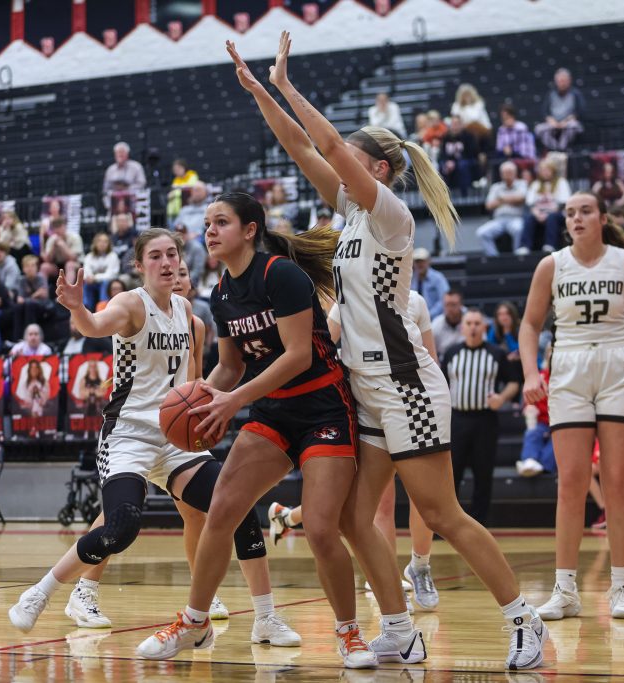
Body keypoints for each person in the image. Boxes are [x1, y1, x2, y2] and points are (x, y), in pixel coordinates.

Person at [223, 33, 547, 670]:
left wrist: (288, 85)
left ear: (376, 170)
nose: (339, 163)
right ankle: (398, 629)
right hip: (363, 384)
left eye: (351, 157)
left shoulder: (392, 214)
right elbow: (302, 148)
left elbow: (326, 145)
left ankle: (523, 617)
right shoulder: (350, 215)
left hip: (406, 383)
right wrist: (261, 92)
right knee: (351, 517)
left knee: (441, 512)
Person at [10, 228, 300, 651]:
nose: (166, 263)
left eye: (172, 255)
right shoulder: (130, 304)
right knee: (121, 526)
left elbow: (193, 382)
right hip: (128, 434)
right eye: (155, 256)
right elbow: (94, 326)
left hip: (173, 438)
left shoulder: (188, 314)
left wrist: (200, 419)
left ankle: (266, 618)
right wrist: (77, 309)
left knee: (235, 504)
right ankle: (41, 592)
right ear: (139, 264)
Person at [135, 191, 372, 667]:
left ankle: (350, 633)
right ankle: (195, 621)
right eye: (207, 223)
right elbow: (230, 366)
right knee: (222, 509)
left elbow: (298, 355)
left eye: (221, 222)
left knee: (321, 528)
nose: (209, 231)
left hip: (324, 409)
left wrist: (235, 399)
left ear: (249, 231)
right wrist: (200, 398)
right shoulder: (222, 293)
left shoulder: (280, 275)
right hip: (273, 412)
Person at [519, 190, 624, 622]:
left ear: (602, 218)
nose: (577, 218)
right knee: (571, 483)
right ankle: (565, 590)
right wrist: (530, 373)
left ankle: (621, 587)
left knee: (617, 483)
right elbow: (529, 325)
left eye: (585, 211)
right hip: (569, 367)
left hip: (618, 366)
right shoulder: (552, 265)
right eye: (570, 213)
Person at [271, 290, 441, 613]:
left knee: (424, 496)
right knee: (378, 503)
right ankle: (389, 580)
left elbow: (431, 360)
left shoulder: (416, 301)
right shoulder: (347, 300)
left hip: (411, 408)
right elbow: (320, 351)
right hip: (367, 408)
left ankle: (420, 566)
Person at [444, 307, 520, 525]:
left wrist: (501, 398)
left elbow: (514, 382)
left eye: (477, 324)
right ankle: (449, 523)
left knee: (483, 473)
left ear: (484, 327)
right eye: (469, 323)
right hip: (457, 419)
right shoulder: (451, 353)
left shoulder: (496, 354)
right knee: (452, 473)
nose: (473, 328)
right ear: (462, 327)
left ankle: (479, 524)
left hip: (485, 421)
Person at [519, 158, 571, 254]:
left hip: (557, 212)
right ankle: (524, 247)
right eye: (542, 170)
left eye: (547, 170)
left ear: (553, 171)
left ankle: (550, 245)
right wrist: (537, 214)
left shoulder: (561, 182)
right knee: (529, 217)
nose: (545, 172)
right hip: (539, 212)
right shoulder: (535, 184)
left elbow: (563, 203)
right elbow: (530, 204)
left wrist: (547, 214)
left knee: (552, 217)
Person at [517, 349, 555, 477]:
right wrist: (529, 409)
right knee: (532, 434)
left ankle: (544, 466)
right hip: (542, 421)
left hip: (560, 422)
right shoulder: (540, 377)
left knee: (557, 441)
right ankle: (529, 461)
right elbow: (530, 400)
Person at [477, 161, 527, 256]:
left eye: (510, 172)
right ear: (501, 174)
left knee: (519, 229)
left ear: (515, 173)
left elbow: (521, 198)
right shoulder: (496, 187)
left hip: (516, 218)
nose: (508, 175)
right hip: (498, 220)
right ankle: (494, 258)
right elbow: (489, 205)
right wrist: (512, 199)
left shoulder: (522, 184)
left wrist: (501, 199)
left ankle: (518, 258)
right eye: (505, 172)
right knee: (481, 233)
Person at [534, 68, 586, 151]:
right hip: (554, 123)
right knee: (539, 129)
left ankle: (562, 149)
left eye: (564, 81)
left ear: (569, 81)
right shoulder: (551, 94)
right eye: (560, 81)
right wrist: (552, 121)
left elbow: (580, 111)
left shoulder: (575, 94)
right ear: (556, 81)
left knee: (573, 126)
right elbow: (544, 112)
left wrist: (566, 121)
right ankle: (554, 148)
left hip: (569, 123)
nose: (562, 83)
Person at [438, 115, 482, 196]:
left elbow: (472, 154)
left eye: (457, 124)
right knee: (442, 166)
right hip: (450, 162)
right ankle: (444, 194)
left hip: (466, 161)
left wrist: (455, 163)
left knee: (462, 165)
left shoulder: (468, 136)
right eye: (453, 124)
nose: (454, 126)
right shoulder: (446, 137)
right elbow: (442, 154)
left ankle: (465, 194)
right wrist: (447, 162)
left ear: (461, 125)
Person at [13, 255, 53, 341]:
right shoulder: (22, 280)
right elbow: (19, 299)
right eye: (27, 266)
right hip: (28, 305)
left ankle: (29, 337)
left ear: (37, 267)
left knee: (29, 304)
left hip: (44, 307)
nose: (30, 268)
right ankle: (17, 339)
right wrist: (35, 295)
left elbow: (44, 295)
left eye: (32, 266)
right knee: (17, 307)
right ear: (23, 269)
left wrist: (28, 298)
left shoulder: (41, 277)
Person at [82, 233, 121, 311]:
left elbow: (111, 275)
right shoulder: (89, 256)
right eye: (99, 241)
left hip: (108, 282)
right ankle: (86, 308)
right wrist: (89, 278)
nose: (102, 244)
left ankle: (102, 308)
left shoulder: (113, 256)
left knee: (105, 282)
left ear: (109, 244)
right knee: (86, 284)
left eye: (105, 241)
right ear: (95, 243)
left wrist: (95, 278)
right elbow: (85, 272)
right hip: (93, 283)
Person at [102, 142, 147, 207]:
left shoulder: (136, 167)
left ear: (127, 154)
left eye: (122, 152)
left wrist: (126, 189)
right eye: (118, 153)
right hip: (115, 204)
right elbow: (106, 190)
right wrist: (109, 205)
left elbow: (142, 183)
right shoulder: (110, 170)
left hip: (133, 202)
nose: (120, 155)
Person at [409, 248, 449, 320]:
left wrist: (428, 315)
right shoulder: (410, 278)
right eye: (417, 261)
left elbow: (444, 299)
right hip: (414, 319)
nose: (420, 264)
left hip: (435, 319)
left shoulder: (438, 278)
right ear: (413, 263)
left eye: (422, 261)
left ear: (429, 261)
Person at [41, 217, 83, 281]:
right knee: (44, 267)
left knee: (69, 265)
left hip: (76, 265)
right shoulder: (51, 239)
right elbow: (47, 260)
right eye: (55, 227)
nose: (57, 230)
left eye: (59, 227)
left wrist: (63, 245)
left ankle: (68, 287)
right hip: (58, 266)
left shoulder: (75, 237)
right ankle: (42, 287)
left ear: (65, 227)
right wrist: (53, 247)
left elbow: (73, 258)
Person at [487, 301, 522, 374]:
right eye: (500, 314)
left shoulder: (521, 329)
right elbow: (490, 350)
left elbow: (521, 349)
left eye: (507, 314)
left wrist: (507, 332)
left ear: (513, 315)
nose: (504, 317)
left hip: (520, 367)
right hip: (501, 368)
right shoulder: (493, 331)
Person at [431, 289, 466, 358]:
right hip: (443, 361)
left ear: (461, 305)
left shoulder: (471, 321)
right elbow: (431, 352)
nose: (450, 308)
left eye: (453, 305)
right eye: (447, 305)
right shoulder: (436, 324)